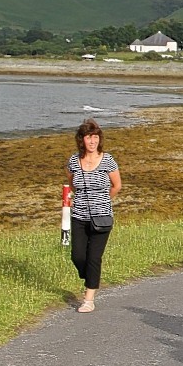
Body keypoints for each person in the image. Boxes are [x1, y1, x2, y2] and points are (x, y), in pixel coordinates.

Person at [66, 118, 121, 313]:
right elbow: (72, 184)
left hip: (102, 217)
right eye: (89, 137)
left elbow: (116, 186)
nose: (92, 141)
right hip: (79, 215)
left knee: (94, 258)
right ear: (82, 140)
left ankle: (88, 299)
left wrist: (103, 201)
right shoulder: (74, 161)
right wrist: (79, 198)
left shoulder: (108, 160)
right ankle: (90, 276)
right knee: (78, 256)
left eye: (95, 137)